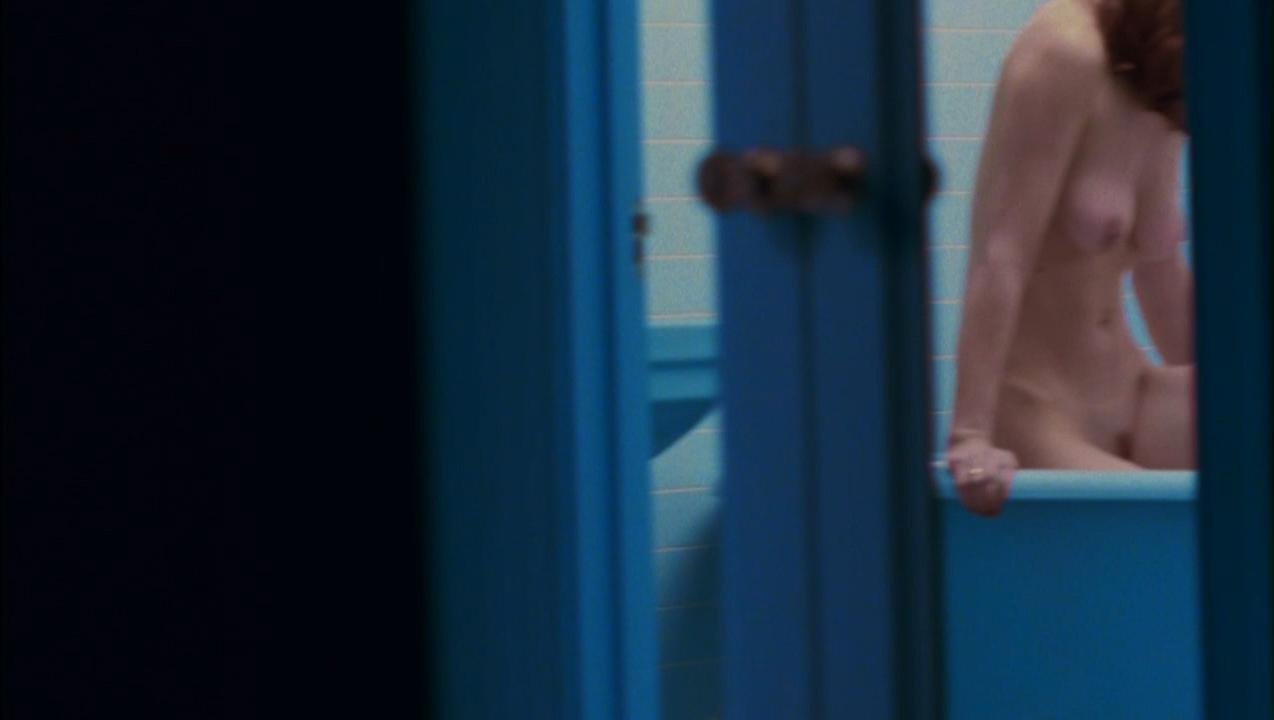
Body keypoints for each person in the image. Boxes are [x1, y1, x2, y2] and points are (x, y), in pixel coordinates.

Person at [946, 0, 1195, 517]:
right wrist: (970, 435)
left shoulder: (1166, 71)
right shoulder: (1065, 51)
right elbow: (1001, 254)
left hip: (1133, 390)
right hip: (1043, 411)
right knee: (1163, 524)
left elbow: (1160, 272)